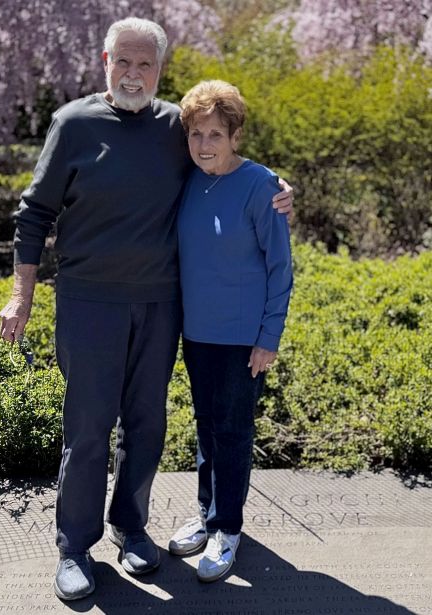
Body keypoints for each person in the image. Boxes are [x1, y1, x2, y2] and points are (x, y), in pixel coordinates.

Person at [0, 18, 293, 601]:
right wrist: (20, 295)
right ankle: (74, 546)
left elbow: (223, 160)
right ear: (105, 61)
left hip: (161, 305)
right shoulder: (73, 123)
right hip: (89, 302)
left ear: (160, 69)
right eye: (124, 62)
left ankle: (131, 528)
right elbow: (33, 215)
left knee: (147, 425)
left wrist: (277, 189)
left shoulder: (174, 126)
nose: (133, 75)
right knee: (88, 429)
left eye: (146, 65)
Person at [168, 80, 293, 582]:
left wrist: (269, 338)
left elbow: (280, 267)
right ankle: (207, 514)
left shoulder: (261, 186)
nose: (204, 145)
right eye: (196, 134)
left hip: (243, 339)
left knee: (233, 432)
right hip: (196, 332)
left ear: (235, 135)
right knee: (206, 427)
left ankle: (227, 530)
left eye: (215, 134)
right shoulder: (189, 180)